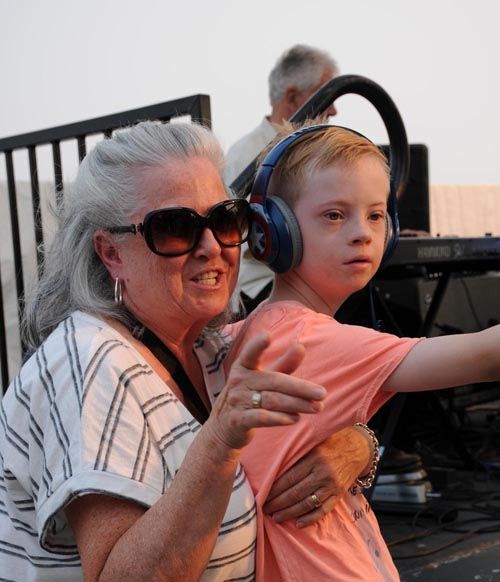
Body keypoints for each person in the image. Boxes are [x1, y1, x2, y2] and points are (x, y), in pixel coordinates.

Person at [0, 120, 374, 581]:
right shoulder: (91, 364)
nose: (211, 246)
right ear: (111, 253)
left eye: (224, 220)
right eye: (176, 228)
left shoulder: (210, 348)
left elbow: (316, 423)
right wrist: (218, 443)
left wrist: (359, 445)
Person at [224, 122, 500, 580]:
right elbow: (488, 356)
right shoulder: (313, 337)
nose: (362, 233)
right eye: (334, 215)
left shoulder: (251, 329)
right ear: (273, 231)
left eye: (375, 215)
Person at [225, 44, 339, 311]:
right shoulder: (245, 157)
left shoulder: (315, 153)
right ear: (292, 97)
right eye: (326, 95)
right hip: (261, 290)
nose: (334, 110)